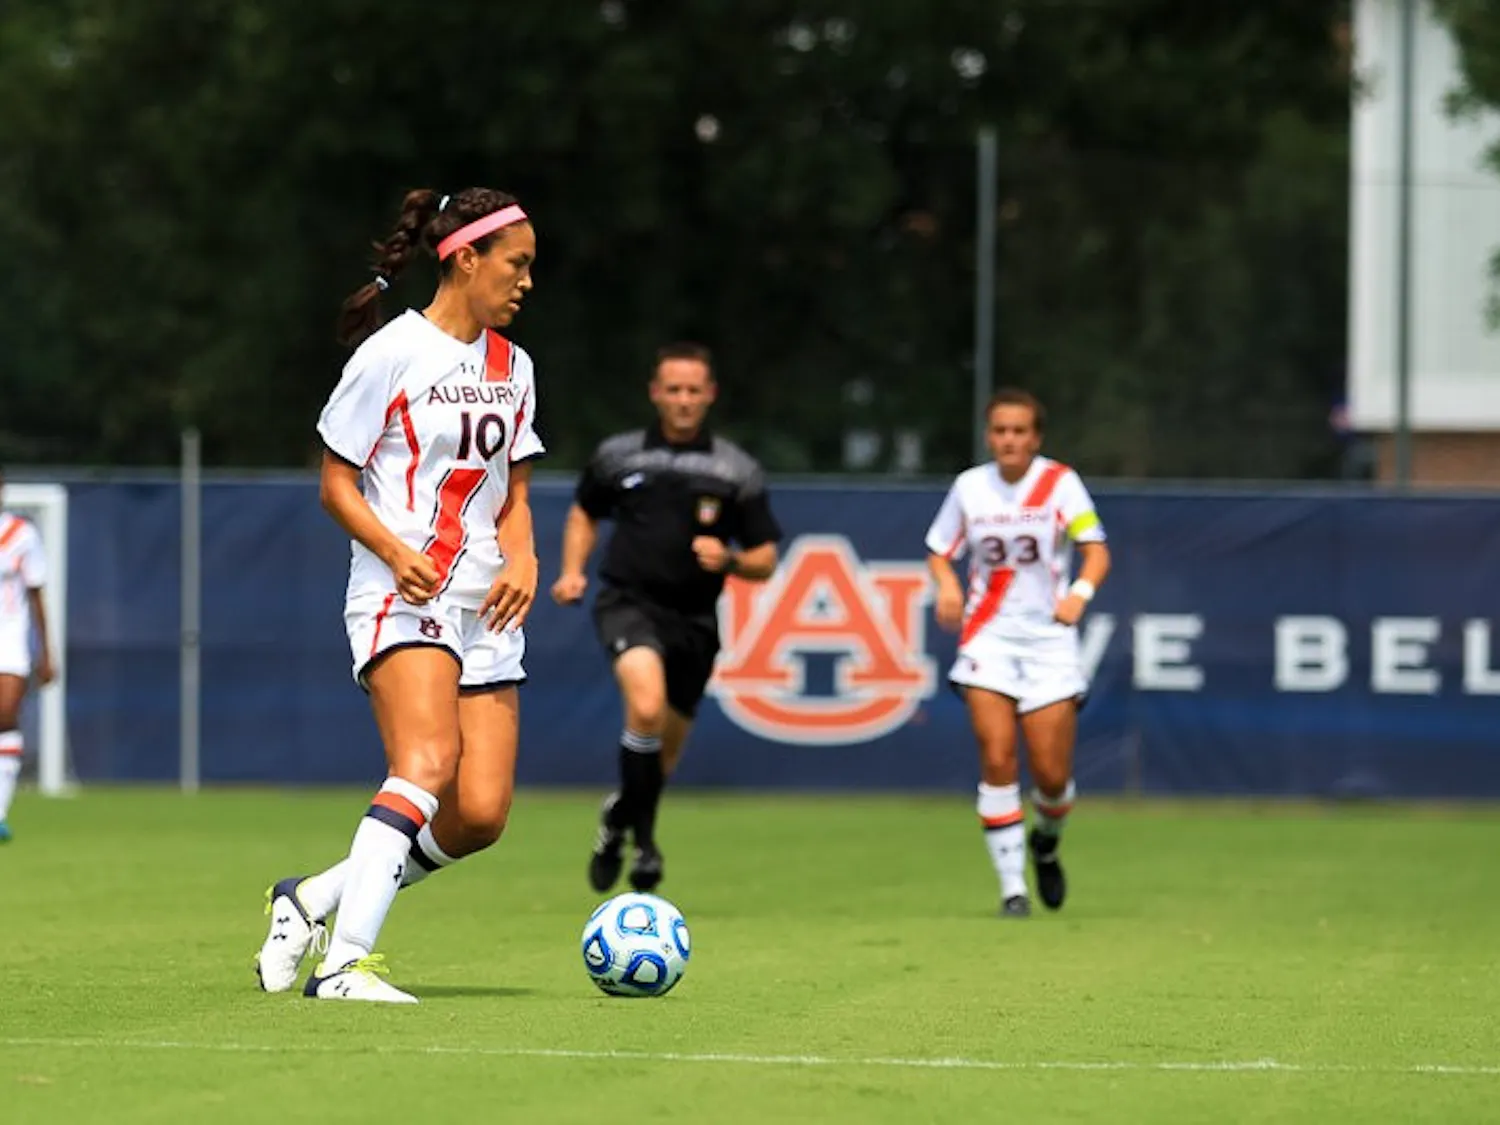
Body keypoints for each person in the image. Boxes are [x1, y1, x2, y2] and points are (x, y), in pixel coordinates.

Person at [252, 187, 544, 1003]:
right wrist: (393, 548)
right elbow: (336, 484)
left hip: (486, 603)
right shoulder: (390, 353)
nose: (526, 282)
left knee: (479, 814)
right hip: (401, 589)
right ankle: (344, 966)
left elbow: (513, 494)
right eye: (516, 264)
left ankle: (310, 898)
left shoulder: (513, 365)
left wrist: (523, 559)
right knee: (424, 763)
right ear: (465, 258)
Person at [551, 343, 781, 895]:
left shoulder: (734, 469)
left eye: (692, 390)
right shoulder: (619, 456)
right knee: (646, 708)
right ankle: (647, 847)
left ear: (709, 395)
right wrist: (572, 569)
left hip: (695, 622)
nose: (682, 400)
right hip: (628, 603)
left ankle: (617, 822)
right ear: (655, 393)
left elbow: (765, 557)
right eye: (672, 389)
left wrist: (729, 559)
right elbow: (585, 510)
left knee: (663, 758)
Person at [925, 389, 1110, 918]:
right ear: (990, 435)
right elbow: (940, 550)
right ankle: (1012, 889)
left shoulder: (1059, 483)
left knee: (1051, 776)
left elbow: (1095, 549)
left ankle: (1046, 842)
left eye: (1020, 431)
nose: (1009, 440)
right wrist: (947, 586)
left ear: (1036, 437)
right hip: (988, 637)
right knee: (998, 756)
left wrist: (1080, 595)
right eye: (1000, 430)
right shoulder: (970, 487)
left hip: (1049, 639)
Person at [0, 468, 58, 842]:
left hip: (9, 640)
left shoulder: (22, 534)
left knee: (5, 717)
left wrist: (46, 651)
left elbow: (36, 593)